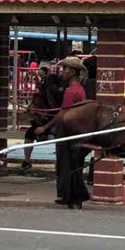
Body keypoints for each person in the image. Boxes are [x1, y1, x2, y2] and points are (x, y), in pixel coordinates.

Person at [35, 57, 88, 208]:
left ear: (72, 72)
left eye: (65, 69)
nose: (62, 72)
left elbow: (62, 114)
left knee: (65, 164)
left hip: (67, 131)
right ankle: (72, 195)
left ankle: (68, 195)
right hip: (77, 131)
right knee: (73, 164)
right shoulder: (80, 89)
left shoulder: (71, 92)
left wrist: (44, 128)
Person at [19, 73, 63, 173]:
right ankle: (27, 160)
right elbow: (31, 111)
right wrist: (34, 114)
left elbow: (59, 115)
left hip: (55, 123)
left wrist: (45, 126)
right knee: (29, 133)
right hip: (41, 123)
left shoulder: (60, 97)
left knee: (60, 133)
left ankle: (60, 162)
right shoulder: (40, 96)